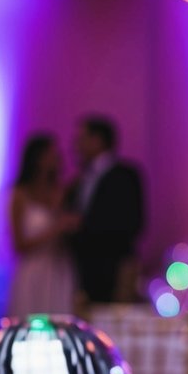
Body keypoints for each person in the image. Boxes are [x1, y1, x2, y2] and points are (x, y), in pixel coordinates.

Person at [67, 115, 145, 304]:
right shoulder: (80, 179)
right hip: (81, 270)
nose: (75, 146)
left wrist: (84, 226)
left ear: (97, 140)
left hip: (115, 267)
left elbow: (134, 222)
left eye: (81, 139)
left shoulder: (126, 175)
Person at [7, 134, 78, 317]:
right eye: (51, 154)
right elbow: (18, 245)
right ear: (37, 159)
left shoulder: (62, 191)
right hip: (32, 272)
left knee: (60, 320)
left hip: (58, 269)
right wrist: (56, 228)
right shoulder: (20, 194)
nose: (57, 159)